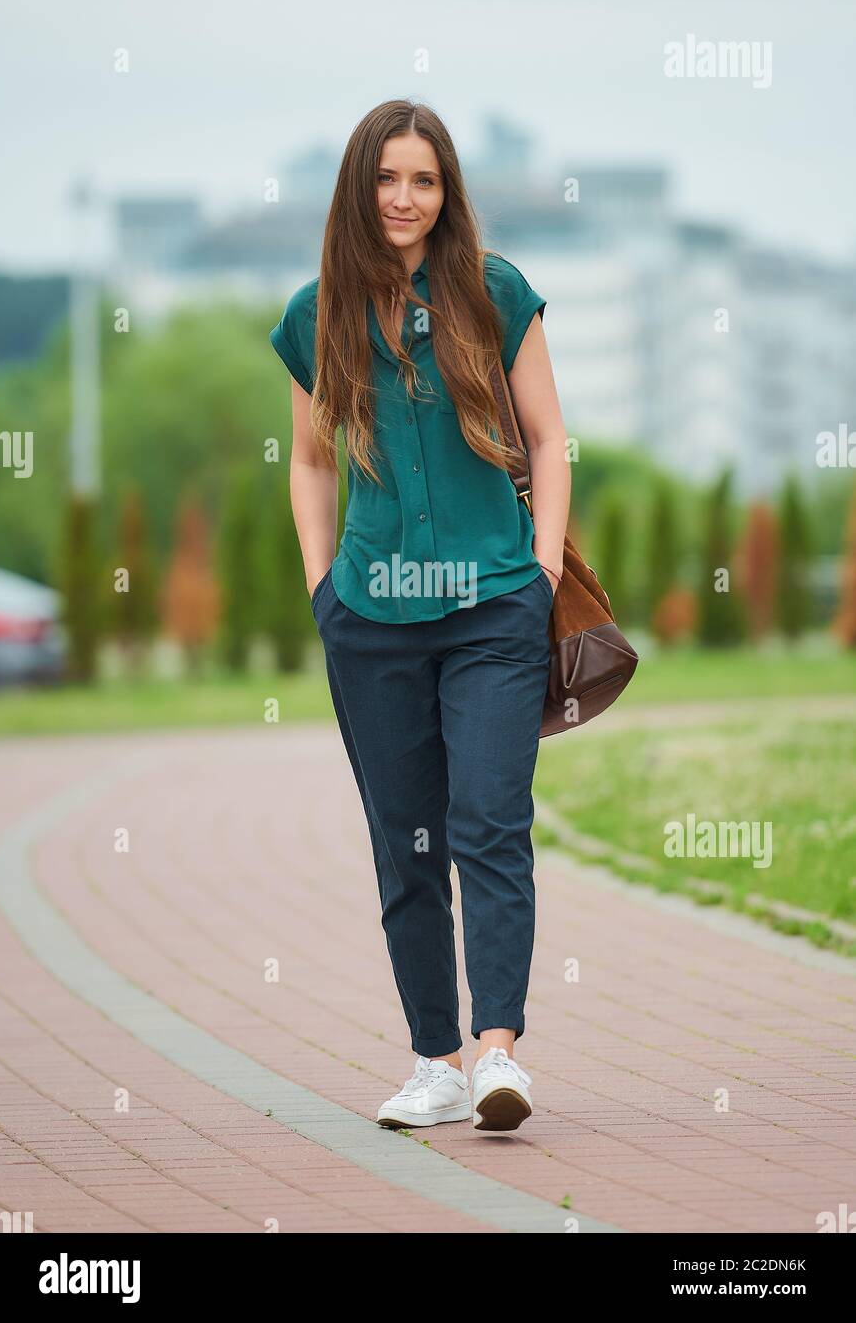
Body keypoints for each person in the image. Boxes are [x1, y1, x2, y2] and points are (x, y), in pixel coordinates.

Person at [269, 99, 569, 1133]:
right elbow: (311, 460)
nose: (405, 197)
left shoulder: (496, 294)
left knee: (489, 821)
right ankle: (433, 1061)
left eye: (424, 179)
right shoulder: (318, 314)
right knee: (407, 844)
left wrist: (536, 575)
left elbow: (550, 439)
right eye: (388, 179)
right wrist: (322, 589)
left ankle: (498, 1054)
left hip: (493, 609)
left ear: (448, 193)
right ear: (361, 189)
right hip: (371, 619)